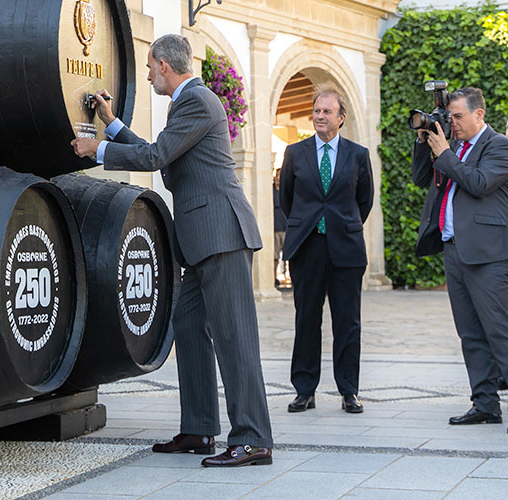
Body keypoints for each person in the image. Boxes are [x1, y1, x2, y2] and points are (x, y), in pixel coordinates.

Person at [70, 34, 273, 467]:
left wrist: (99, 148)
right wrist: (111, 123)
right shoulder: (187, 104)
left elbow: (156, 155)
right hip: (202, 241)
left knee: (235, 339)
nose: (146, 74)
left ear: (164, 65)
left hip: (221, 234)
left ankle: (253, 438)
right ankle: (200, 430)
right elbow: (160, 152)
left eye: (149, 66)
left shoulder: (197, 100)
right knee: (188, 323)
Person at [412, 87, 508, 427]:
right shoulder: (451, 147)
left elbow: (479, 183)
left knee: (500, 331)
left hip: (488, 255)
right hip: (454, 249)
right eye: (449, 117)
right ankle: (485, 404)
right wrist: (426, 142)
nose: (452, 124)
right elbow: (421, 178)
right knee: (470, 333)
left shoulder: (498, 146)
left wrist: (446, 153)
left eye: (458, 117)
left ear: (479, 115)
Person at [279, 84, 374, 414]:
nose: (320, 116)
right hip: (308, 247)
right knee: (306, 319)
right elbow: (287, 200)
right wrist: (310, 225)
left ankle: (349, 390)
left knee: (347, 322)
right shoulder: (295, 153)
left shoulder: (358, 155)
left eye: (327, 111)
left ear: (341, 118)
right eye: (317, 111)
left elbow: (364, 201)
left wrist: (340, 224)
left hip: (346, 248)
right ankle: (304, 389)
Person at [273, 168, 288, 287]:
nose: (278, 178)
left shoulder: (287, 191)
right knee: (275, 257)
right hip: (275, 228)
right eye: (277, 176)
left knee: (290, 256)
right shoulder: (271, 192)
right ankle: (274, 279)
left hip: (287, 228)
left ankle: (291, 278)